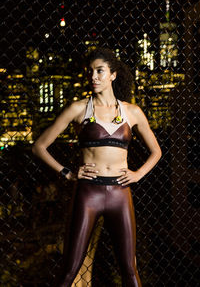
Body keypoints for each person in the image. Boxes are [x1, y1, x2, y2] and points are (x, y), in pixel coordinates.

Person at [32, 47, 162, 287]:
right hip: (88, 193)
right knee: (70, 269)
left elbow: (157, 151)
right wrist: (67, 172)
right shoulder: (79, 108)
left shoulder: (132, 111)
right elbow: (40, 146)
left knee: (129, 270)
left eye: (100, 71)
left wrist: (138, 174)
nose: (93, 76)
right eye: (90, 71)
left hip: (121, 194)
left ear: (113, 74)